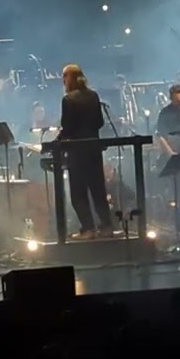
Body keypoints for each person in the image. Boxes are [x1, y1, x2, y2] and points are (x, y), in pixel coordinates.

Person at [56, 64, 113, 239]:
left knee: (78, 193)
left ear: (69, 78)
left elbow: (68, 128)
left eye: (64, 77)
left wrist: (57, 141)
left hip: (77, 152)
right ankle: (107, 227)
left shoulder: (68, 100)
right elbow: (99, 123)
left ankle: (88, 229)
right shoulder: (94, 96)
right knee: (98, 190)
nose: (63, 81)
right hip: (94, 149)